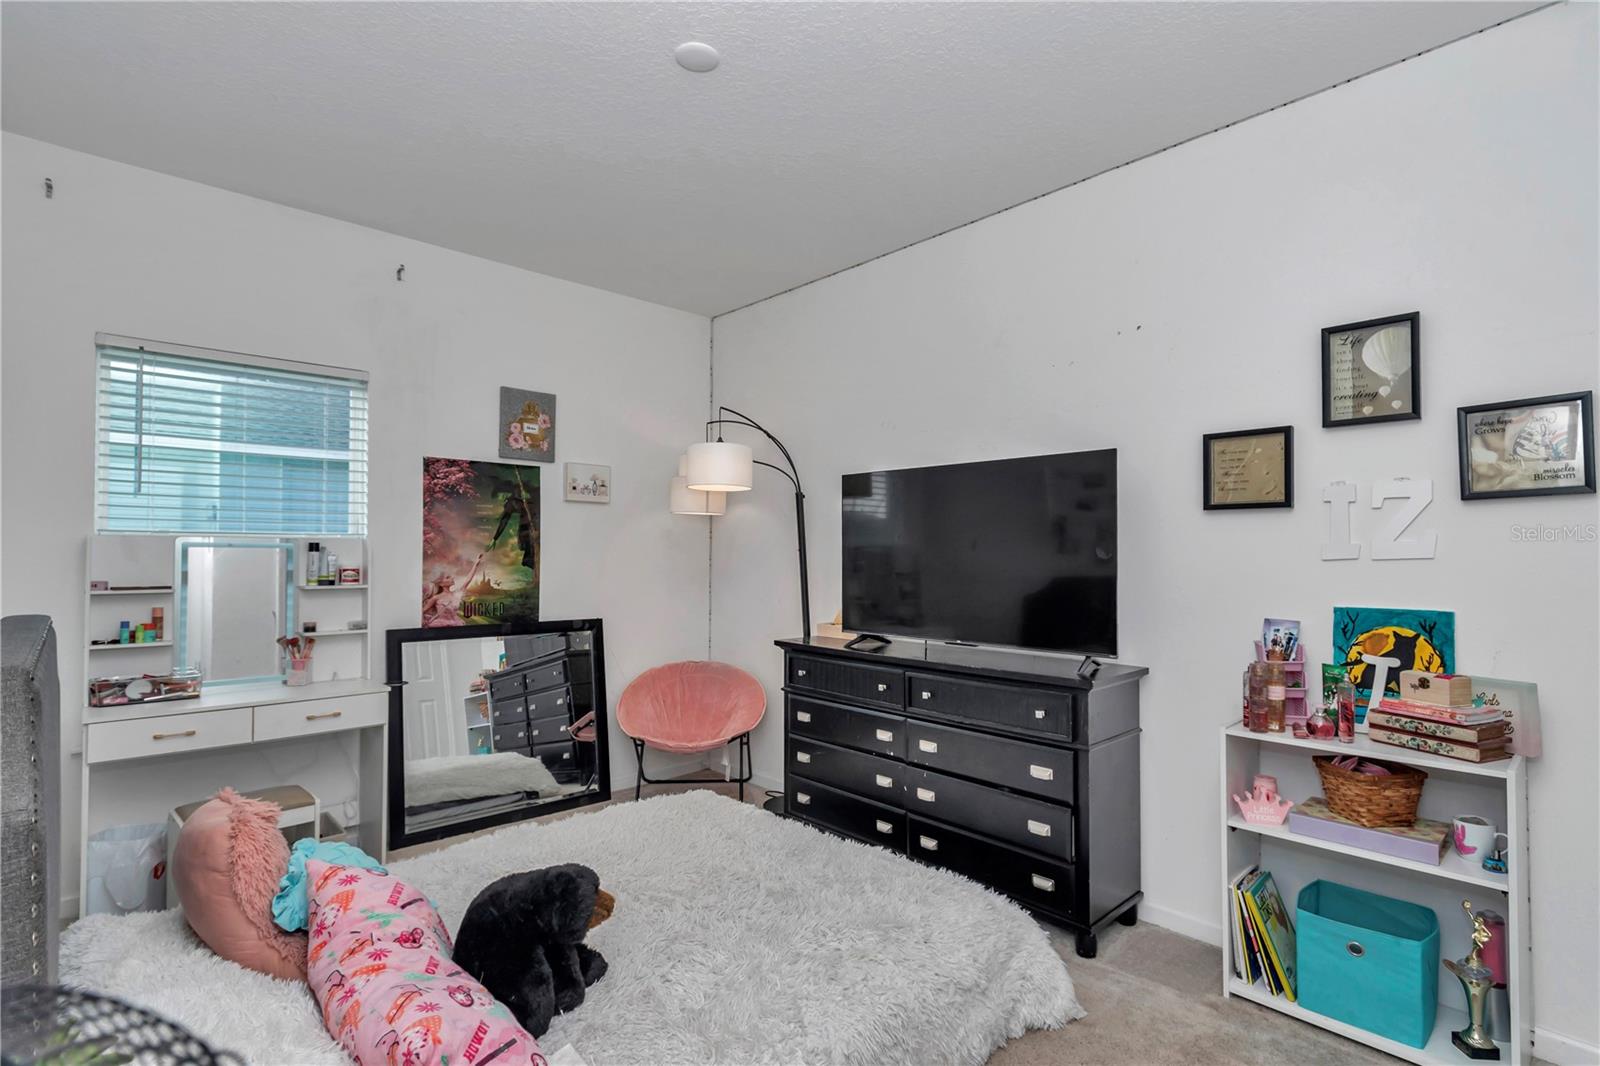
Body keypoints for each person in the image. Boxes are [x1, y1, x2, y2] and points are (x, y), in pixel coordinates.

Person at [422, 553, 484, 627]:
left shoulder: (456, 594)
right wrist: (423, 621)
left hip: (455, 624)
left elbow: (468, 580)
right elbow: (422, 611)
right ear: (441, 583)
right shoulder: (436, 598)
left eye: (450, 576)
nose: (452, 578)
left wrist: (476, 564)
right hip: (440, 626)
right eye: (448, 577)